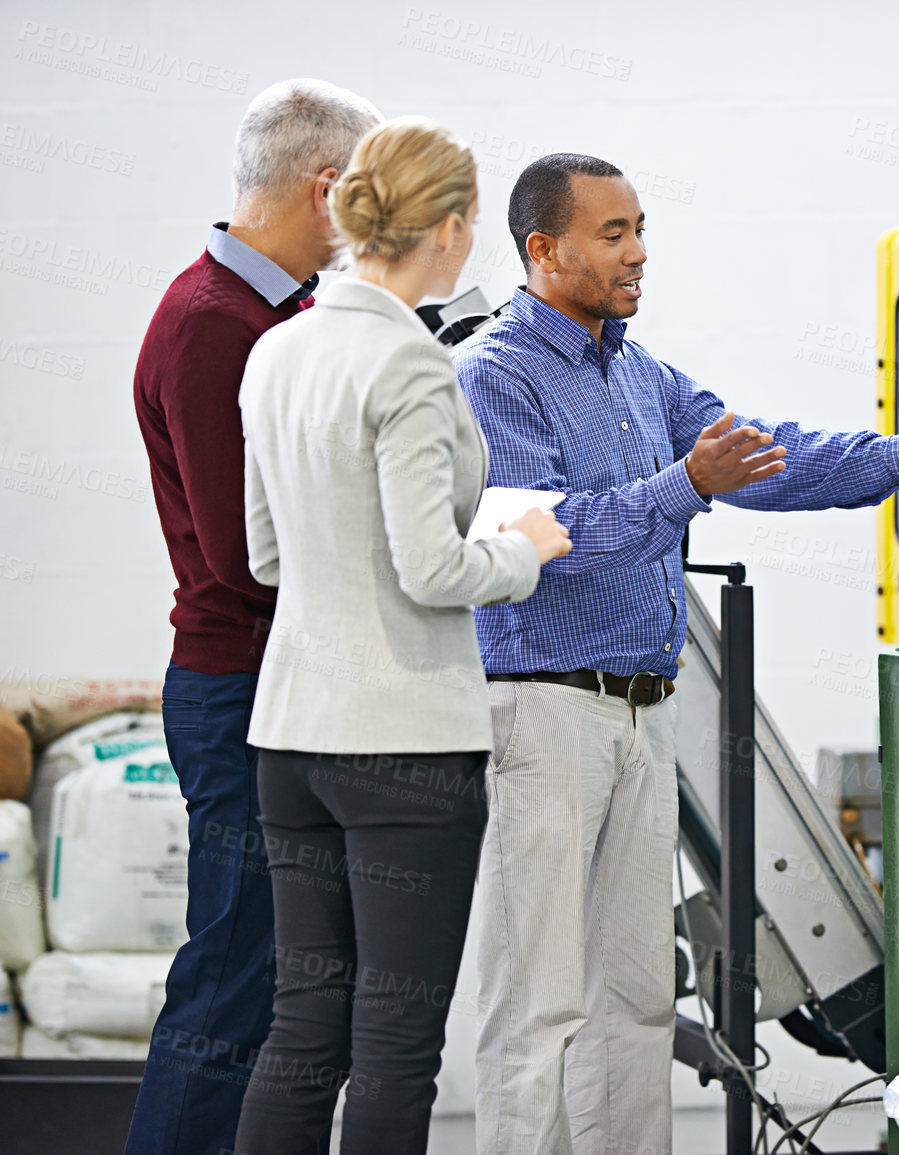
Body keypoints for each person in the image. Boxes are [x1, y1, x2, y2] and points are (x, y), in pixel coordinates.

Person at [454, 152, 899, 1154]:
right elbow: (546, 538)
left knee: (637, 1001)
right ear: (543, 249)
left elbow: (769, 458)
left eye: (642, 227)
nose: (640, 253)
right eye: (614, 234)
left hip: (642, 712)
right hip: (544, 714)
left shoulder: (640, 373)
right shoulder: (495, 375)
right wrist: (685, 484)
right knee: (538, 1009)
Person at [231, 117, 572, 1154]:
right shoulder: (414, 368)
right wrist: (525, 547)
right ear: (456, 229)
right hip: (405, 750)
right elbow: (433, 571)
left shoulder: (275, 350)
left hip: (292, 738)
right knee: (394, 1043)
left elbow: (266, 555)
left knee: (303, 1030)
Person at [130, 77, 380, 1155]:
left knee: (298, 991)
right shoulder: (210, 326)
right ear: (328, 190)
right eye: (371, 197)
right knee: (237, 981)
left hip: (284, 690)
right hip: (240, 691)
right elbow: (246, 559)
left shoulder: (280, 316)